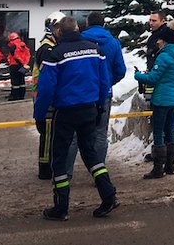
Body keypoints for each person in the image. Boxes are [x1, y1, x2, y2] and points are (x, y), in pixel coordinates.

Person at [33, 16, 117, 220]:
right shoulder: (95, 50)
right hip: (89, 109)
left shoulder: (56, 54)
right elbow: (104, 82)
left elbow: (46, 89)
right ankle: (108, 195)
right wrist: (98, 106)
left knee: (59, 159)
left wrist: (39, 113)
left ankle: (61, 207)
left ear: (59, 32)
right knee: (90, 154)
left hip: (67, 111)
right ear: (78, 29)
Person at [69, 12, 126, 169]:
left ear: (87, 24)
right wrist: (106, 82)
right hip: (103, 94)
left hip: (80, 94)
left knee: (74, 134)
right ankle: (99, 171)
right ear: (104, 24)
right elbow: (120, 69)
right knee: (101, 133)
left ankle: (66, 173)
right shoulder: (113, 43)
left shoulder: (79, 40)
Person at [134, 25, 174, 179]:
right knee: (170, 131)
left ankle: (158, 168)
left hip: (161, 99)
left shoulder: (163, 57)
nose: (157, 42)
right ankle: (170, 165)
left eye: (160, 39)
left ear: (165, 41)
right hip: (173, 98)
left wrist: (138, 76)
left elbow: (153, 79)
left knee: (157, 132)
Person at [35, 11, 65, 180]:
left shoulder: (48, 46)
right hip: (47, 99)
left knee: (50, 135)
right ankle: (45, 169)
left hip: (47, 97)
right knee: (47, 137)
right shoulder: (47, 49)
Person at [6, 31, 31, 101]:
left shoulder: (13, 46)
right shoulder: (23, 45)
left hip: (14, 65)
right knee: (21, 81)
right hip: (23, 65)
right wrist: (24, 63)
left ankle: (15, 96)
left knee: (15, 82)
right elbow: (28, 54)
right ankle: (21, 95)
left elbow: (14, 56)